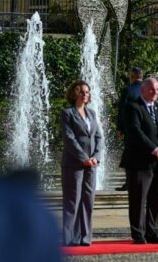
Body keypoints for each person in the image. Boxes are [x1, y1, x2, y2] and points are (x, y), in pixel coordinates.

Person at [122, 78, 158, 244]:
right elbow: (135, 133)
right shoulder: (132, 107)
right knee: (138, 199)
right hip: (139, 162)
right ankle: (138, 234)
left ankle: (153, 232)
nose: (155, 91)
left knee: (157, 198)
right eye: (152, 89)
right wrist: (154, 149)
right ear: (143, 90)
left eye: (157, 88)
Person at [60, 80, 103, 246]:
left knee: (88, 200)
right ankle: (69, 238)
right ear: (74, 93)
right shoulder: (67, 113)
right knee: (72, 201)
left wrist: (96, 157)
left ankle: (85, 237)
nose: (86, 94)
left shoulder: (91, 113)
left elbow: (98, 137)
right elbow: (69, 138)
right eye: (82, 91)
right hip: (74, 164)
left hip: (91, 164)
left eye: (87, 92)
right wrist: (83, 157)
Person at [116, 67, 144, 191]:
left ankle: (129, 182)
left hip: (131, 130)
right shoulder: (147, 90)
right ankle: (142, 182)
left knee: (129, 155)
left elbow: (121, 110)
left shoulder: (127, 90)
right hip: (145, 130)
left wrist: (120, 127)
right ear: (141, 76)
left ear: (131, 77)